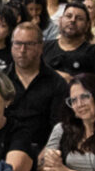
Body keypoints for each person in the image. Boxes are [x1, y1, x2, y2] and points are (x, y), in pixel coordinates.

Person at [7, 21, 69, 159]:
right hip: (5, 149)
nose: (22, 50)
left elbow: (59, 127)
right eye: (17, 43)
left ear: (41, 47)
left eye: (29, 44)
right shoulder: (0, 80)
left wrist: (46, 153)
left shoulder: (57, 83)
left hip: (41, 151)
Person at [44, 1, 95, 80]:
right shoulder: (44, 47)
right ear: (60, 20)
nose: (72, 20)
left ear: (87, 25)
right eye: (68, 16)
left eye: (79, 18)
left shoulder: (94, 52)